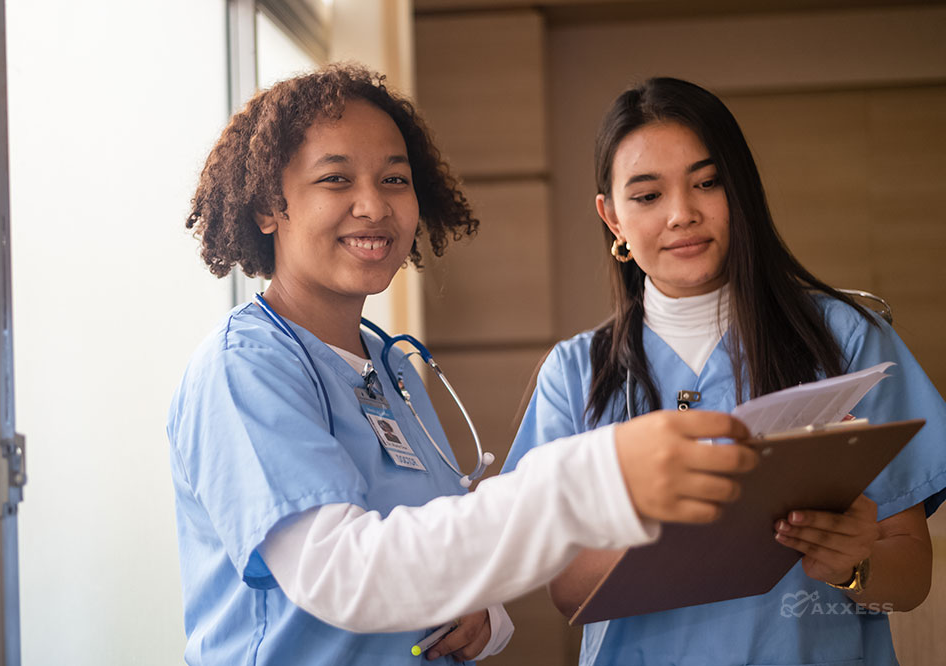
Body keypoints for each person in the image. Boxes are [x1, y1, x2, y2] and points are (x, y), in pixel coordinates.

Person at [167, 66, 760, 665]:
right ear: (270, 207)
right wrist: (593, 477)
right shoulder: (244, 369)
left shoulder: (388, 369)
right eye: (336, 179)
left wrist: (486, 615)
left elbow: (443, 545)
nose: (373, 205)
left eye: (395, 179)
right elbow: (339, 575)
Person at [503, 76, 946, 665]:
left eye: (707, 183)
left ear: (740, 190)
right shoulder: (575, 374)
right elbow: (567, 591)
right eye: (647, 196)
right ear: (612, 219)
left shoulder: (843, 338)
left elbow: (911, 578)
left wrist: (854, 565)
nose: (682, 214)